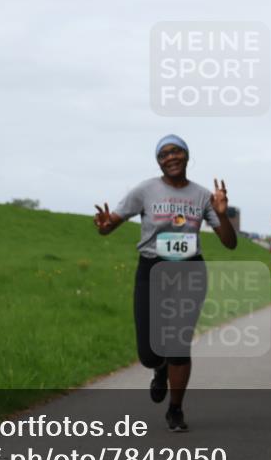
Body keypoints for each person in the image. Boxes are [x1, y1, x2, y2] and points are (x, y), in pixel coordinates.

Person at [94, 135, 237, 432]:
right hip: (152, 269)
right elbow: (111, 225)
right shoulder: (145, 190)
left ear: (187, 156)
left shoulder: (201, 196)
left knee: (178, 345)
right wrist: (106, 225)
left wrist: (222, 216)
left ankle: (175, 409)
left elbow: (229, 242)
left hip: (189, 271)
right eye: (164, 154)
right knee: (148, 353)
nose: (170, 157)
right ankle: (159, 370)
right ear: (158, 161)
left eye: (176, 152)